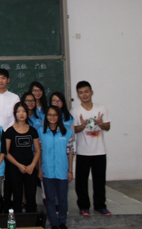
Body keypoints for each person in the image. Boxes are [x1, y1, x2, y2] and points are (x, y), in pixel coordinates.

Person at [71, 81, 111, 216]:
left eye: (86, 91)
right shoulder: (75, 111)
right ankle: (84, 207)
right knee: (81, 182)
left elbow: (107, 127)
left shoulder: (101, 108)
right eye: (81, 93)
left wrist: (100, 123)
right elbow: (73, 130)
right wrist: (82, 126)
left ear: (92, 92)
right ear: (78, 95)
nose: (84, 95)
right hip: (83, 152)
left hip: (100, 151)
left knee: (99, 180)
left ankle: (100, 205)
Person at [38, 105, 75, 229]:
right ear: (46, 117)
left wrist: (70, 171)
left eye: (55, 115)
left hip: (62, 171)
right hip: (47, 170)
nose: (52, 117)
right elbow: (39, 153)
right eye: (49, 115)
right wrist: (39, 170)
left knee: (63, 199)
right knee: (50, 199)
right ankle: (53, 223)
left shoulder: (67, 132)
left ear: (59, 116)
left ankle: (62, 222)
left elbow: (70, 153)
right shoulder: (41, 132)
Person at [4, 102, 41, 213]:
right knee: (17, 196)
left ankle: (31, 220)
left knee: (31, 196)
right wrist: (19, 165)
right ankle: (17, 220)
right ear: (14, 113)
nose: (21, 114)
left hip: (30, 168)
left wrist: (32, 165)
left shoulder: (33, 131)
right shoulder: (9, 131)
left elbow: (38, 150)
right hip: (15, 168)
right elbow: (6, 152)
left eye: (24, 111)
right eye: (18, 111)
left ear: (27, 113)